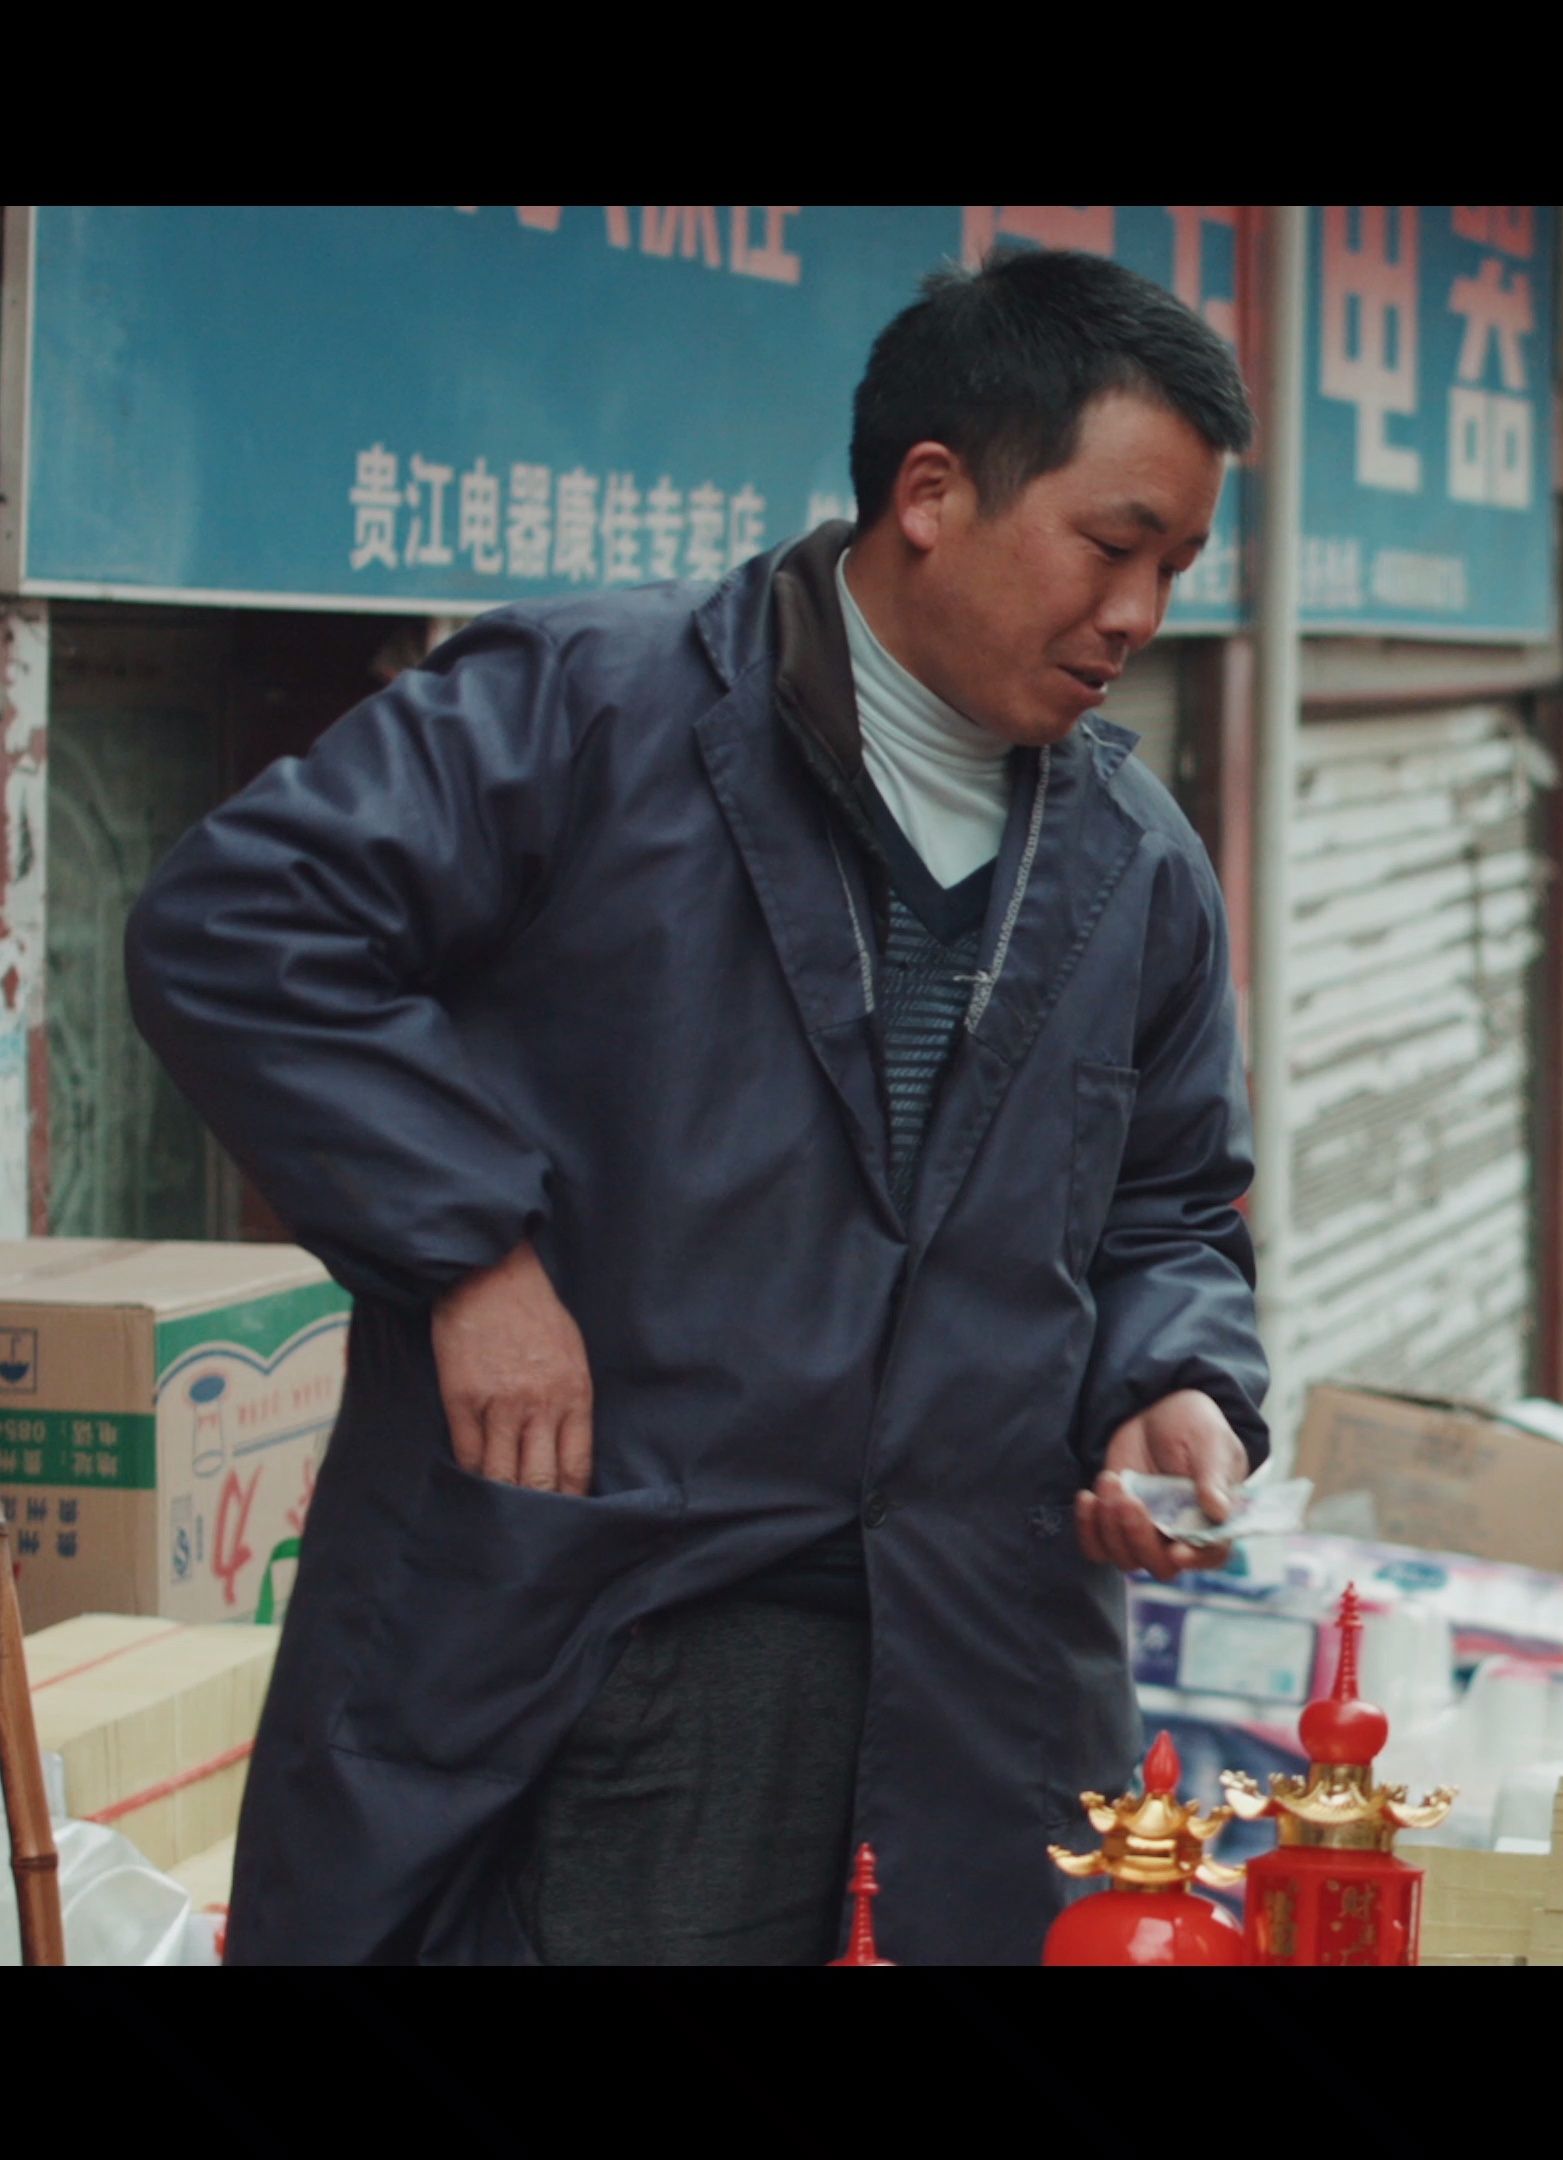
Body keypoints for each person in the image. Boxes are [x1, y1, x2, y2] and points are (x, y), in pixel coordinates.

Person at [125, 249, 1268, 1964]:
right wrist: (470, 1253)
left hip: (975, 1679)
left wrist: (1172, 1379)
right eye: (1113, 548)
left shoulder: (1138, 860)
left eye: (1173, 569)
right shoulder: (595, 712)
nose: (1137, 617)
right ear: (933, 493)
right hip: (624, 1640)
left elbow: (1169, 1208)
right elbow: (238, 928)